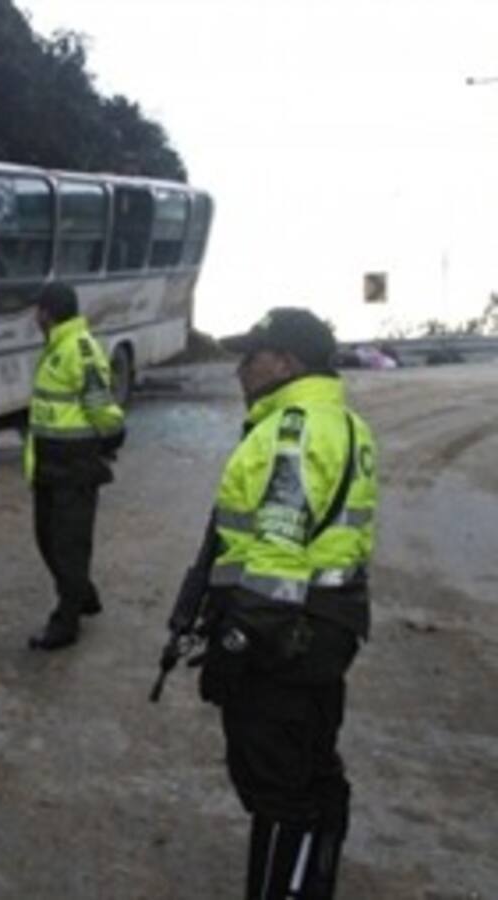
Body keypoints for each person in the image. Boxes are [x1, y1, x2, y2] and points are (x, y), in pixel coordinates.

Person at [200, 308, 378, 898]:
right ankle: (313, 880)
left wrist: (237, 644)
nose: (240, 370)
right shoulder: (344, 423)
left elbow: (277, 555)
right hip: (329, 625)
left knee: (277, 790)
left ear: (286, 362)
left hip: (284, 639)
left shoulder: (293, 434)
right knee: (312, 769)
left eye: (251, 357)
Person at [24, 281, 125, 651]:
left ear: (46, 313)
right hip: (50, 466)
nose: (34, 317)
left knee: (68, 547)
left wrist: (110, 438)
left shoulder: (79, 350)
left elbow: (101, 406)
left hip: (74, 468)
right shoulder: (56, 347)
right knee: (47, 540)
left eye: (37, 310)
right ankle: (83, 594)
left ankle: (65, 624)